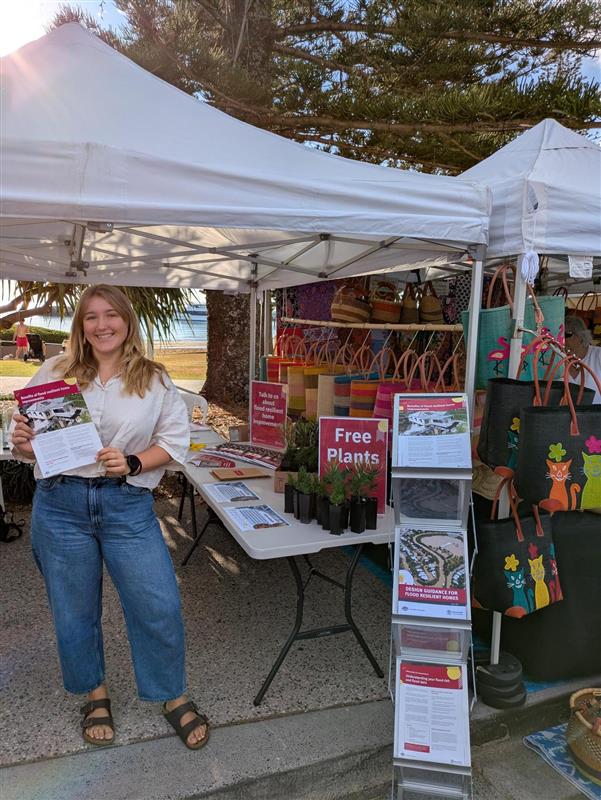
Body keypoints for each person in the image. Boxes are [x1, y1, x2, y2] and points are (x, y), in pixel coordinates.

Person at [11, 285, 209, 750]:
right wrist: (22, 441)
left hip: (126, 506)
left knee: (158, 603)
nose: (102, 325)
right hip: (60, 505)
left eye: (111, 315)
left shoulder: (154, 378)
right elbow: (24, 442)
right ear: (81, 326)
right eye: (91, 317)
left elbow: (175, 440)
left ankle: (169, 693)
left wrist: (135, 462)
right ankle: (95, 693)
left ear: (127, 321)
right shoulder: (55, 370)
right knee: (74, 610)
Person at [565, 314, 601, 404]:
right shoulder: (556, 359)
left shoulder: (598, 355)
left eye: (566, 334)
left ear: (580, 337)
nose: (562, 339)